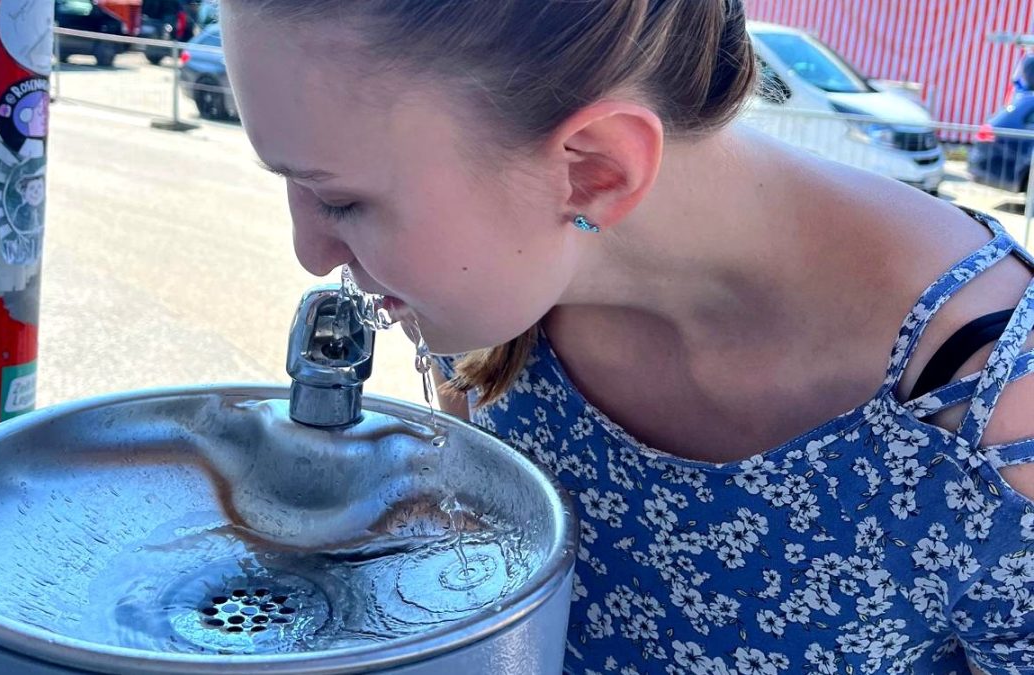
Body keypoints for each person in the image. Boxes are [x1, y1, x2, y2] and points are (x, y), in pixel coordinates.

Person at [219, 1, 1034, 672]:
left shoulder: (990, 403)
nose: (310, 252)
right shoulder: (508, 284)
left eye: (343, 200)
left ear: (595, 170)